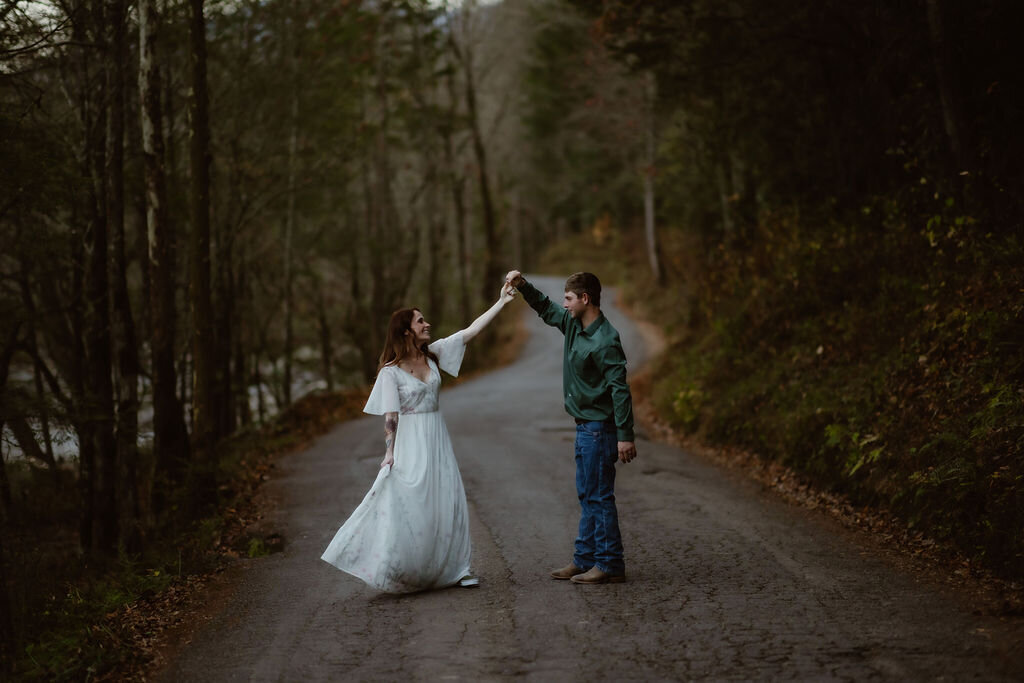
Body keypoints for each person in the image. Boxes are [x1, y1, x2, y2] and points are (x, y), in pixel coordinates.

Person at [320, 284, 518, 593]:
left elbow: (469, 332)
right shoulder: (390, 372)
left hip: (437, 436)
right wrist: (389, 453)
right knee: (413, 503)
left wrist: (501, 302)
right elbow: (390, 416)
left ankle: (457, 568)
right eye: (420, 321)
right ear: (407, 332)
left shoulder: (434, 354)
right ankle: (406, 568)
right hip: (410, 441)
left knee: (448, 500)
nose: (427, 324)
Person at [505, 270, 637, 584]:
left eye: (568, 298)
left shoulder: (606, 340)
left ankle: (609, 563)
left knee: (599, 496)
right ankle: (584, 559)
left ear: (585, 299)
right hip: (583, 428)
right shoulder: (573, 325)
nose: (563, 304)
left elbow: (620, 389)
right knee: (586, 494)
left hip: (599, 429)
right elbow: (547, 309)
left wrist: (625, 436)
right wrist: (524, 286)